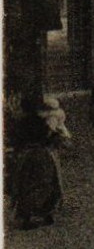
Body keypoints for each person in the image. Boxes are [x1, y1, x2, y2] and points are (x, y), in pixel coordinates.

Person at [8, 94, 70, 228]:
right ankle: (47, 213)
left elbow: (15, 140)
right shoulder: (41, 120)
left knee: (25, 185)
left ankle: (26, 216)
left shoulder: (20, 123)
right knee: (48, 183)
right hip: (43, 155)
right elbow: (48, 136)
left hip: (26, 156)